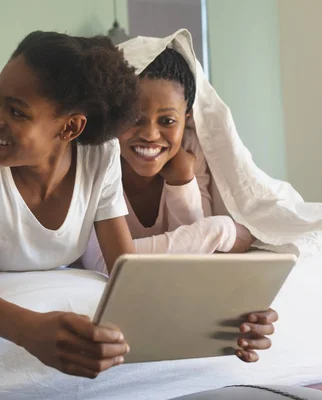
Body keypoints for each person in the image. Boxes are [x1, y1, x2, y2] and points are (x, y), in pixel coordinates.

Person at [0, 31, 140, 379]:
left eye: (16, 111)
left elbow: (127, 273)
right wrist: (31, 331)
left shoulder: (101, 156)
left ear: (70, 128)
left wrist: (223, 323)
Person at [83, 48, 276, 363]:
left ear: (187, 120)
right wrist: (221, 231)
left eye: (167, 120)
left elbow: (197, 260)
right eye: (134, 118)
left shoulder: (194, 155)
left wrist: (182, 181)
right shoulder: (95, 160)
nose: (150, 134)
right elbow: (105, 264)